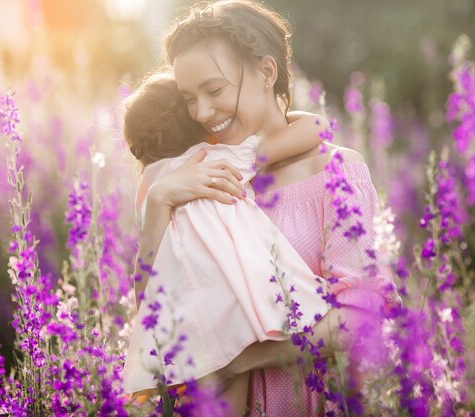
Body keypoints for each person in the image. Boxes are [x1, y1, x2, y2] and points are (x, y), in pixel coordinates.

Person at [154, 1, 402, 415]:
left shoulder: (336, 172)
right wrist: (162, 200)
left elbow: (359, 317)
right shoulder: (203, 177)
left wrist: (239, 360)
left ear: (267, 72)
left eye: (214, 90)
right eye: (189, 98)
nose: (201, 112)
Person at [120, 70, 334, 416]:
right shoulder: (216, 159)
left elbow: (144, 284)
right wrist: (282, 115)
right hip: (231, 305)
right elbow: (320, 127)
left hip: (184, 321)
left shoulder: (149, 188)